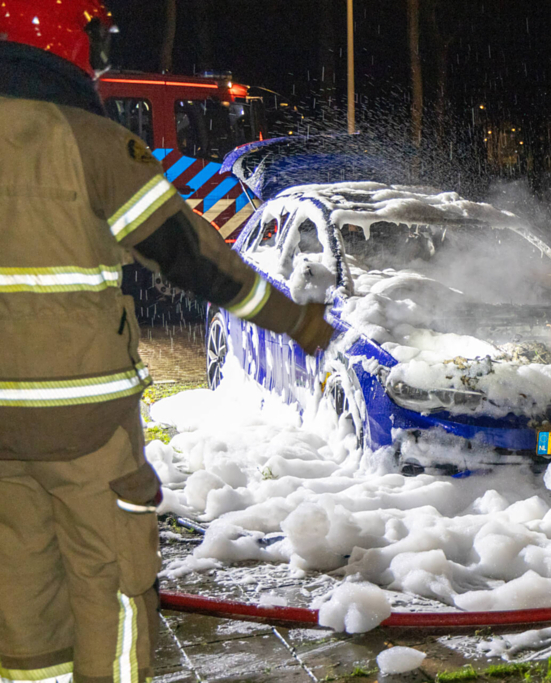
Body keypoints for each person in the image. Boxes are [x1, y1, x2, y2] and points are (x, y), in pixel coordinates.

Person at [0, 2, 335, 681]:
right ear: (70, 39)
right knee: (113, 582)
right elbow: (197, 260)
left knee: (20, 579)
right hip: (84, 422)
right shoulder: (92, 142)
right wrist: (296, 320)